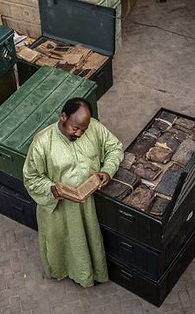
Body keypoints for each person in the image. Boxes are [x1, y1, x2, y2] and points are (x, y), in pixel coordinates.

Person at [22, 97, 123, 288]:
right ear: (63, 117)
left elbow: (114, 148)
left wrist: (107, 171)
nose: (79, 133)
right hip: (60, 209)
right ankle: (66, 272)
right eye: (75, 128)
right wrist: (51, 188)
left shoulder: (93, 127)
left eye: (83, 129)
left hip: (89, 203)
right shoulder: (42, 142)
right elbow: (31, 178)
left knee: (90, 239)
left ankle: (94, 273)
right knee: (66, 243)